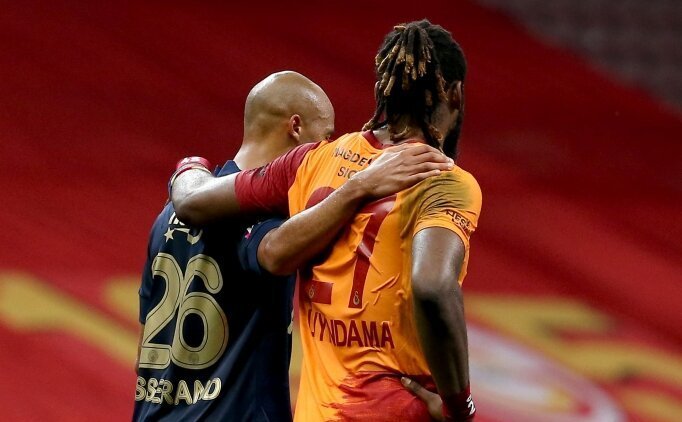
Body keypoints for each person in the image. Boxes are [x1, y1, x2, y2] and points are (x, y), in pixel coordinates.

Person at [171, 19, 480, 422]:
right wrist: (460, 406)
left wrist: (188, 166)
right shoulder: (444, 180)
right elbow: (434, 286)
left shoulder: (311, 161)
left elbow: (192, 202)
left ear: (382, 89)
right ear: (455, 93)